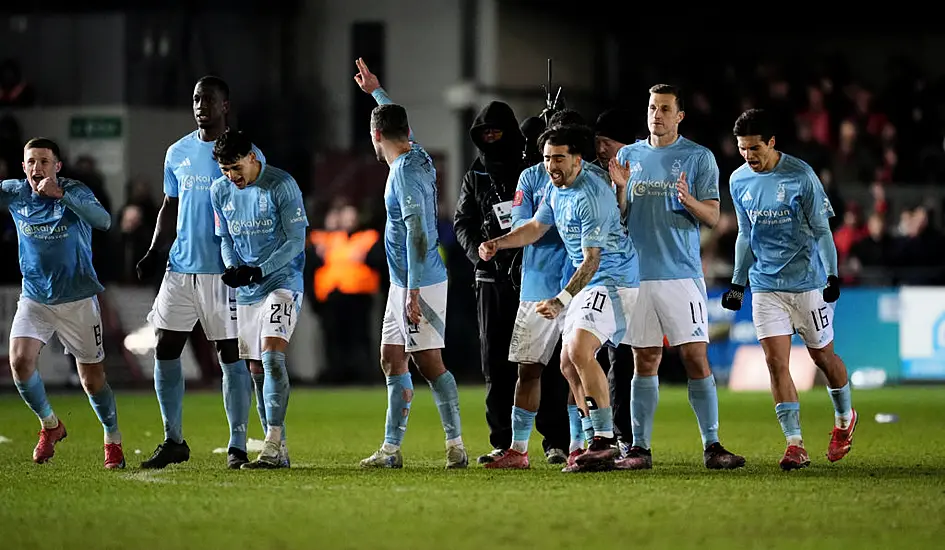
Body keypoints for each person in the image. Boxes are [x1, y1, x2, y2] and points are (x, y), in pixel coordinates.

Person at [480, 125, 638, 472]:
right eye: (548, 157)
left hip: (613, 280)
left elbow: (592, 259)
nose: (552, 164)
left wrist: (560, 300)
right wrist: (499, 243)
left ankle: (605, 439)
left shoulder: (589, 195)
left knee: (579, 351)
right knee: (568, 363)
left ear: (577, 159)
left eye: (560, 158)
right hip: (589, 283)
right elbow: (536, 227)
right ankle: (593, 444)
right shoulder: (555, 189)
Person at [136, 76, 274, 470]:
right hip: (180, 268)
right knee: (165, 348)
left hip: (224, 272)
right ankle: (173, 439)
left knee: (230, 355)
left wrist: (252, 259)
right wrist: (153, 250)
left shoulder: (246, 152)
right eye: (197, 98)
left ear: (225, 106)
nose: (201, 105)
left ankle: (237, 445)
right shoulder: (177, 151)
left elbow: (259, 206)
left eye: (210, 99)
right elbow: (170, 204)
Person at [610, 84, 744, 470]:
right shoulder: (628, 156)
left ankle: (713, 445)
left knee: (695, 357)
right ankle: (639, 449)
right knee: (644, 359)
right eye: (653, 107)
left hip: (681, 275)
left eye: (666, 108)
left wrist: (689, 201)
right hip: (638, 275)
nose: (657, 114)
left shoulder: (698, 157)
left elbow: (714, 217)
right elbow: (619, 217)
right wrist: (620, 189)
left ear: (679, 115)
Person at [722, 108, 857, 470]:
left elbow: (823, 231)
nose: (749, 157)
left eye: (755, 149)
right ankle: (794, 444)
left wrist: (832, 275)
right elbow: (744, 235)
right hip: (766, 287)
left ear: (771, 143)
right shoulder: (739, 181)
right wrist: (738, 282)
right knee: (775, 362)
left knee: (822, 359)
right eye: (742, 149)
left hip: (807, 285)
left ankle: (845, 419)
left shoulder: (801, 176)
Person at [353, 58, 467, 469]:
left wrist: (414, 291)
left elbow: (420, 232)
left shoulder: (403, 173)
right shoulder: (414, 153)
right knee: (391, 357)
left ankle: (455, 445)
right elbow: (395, 122)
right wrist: (376, 93)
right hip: (406, 280)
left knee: (428, 361)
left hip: (419, 280)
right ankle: (391, 449)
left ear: (376, 135)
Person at [454, 90, 568, 466]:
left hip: (535, 273)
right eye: (483, 133)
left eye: (496, 131)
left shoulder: (533, 168)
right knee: (496, 363)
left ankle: (556, 440)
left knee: (546, 361)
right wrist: (481, 258)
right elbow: (463, 223)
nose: (489, 138)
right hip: (492, 282)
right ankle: (503, 441)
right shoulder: (476, 175)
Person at [1, 138, 123, 469]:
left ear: (57, 166)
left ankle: (112, 438)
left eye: (44, 161)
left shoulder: (75, 190)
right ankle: (51, 425)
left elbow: (104, 221)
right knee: (20, 363)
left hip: (78, 300)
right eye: (31, 162)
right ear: (23, 165)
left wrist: (63, 196)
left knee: (91, 381)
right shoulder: (14, 193)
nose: (37, 168)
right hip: (35, 298)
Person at [209, 129, 306, 469]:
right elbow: (224, 238)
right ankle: (276, 452)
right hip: (249, 289)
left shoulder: (281, 185)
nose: (232, 177)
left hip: (283, 281)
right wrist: (234, 267)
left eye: (236, 168)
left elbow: (296, 241)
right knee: (256, 370)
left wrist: (259, 269)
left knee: (273, 357)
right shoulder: (219, 191)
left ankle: (273, 444)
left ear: (252, 157)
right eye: (225, 171)